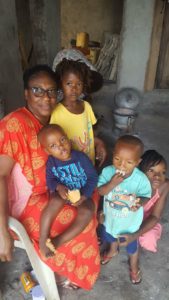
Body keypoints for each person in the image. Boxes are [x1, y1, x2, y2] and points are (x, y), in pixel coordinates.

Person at [0, 64, 100, 290]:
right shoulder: (14, 124)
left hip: (55, 187)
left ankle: (66, 264)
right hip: (24, 201)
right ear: (26, 93)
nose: (46, 97)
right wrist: (2, 229)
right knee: (75, 218)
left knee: (90, 199)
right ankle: (59, 261)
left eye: (51, 91)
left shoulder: (54, 119)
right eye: (37, 90)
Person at [37, 124, 98, 257]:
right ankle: (43, 238)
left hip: (82, 192)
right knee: (54, 202)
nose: (60, 146)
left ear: (68, 140)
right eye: (53, 146)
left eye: (62, 140)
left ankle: (57, 241)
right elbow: (50, 180)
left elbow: (93, 177)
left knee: (88, 211)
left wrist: (85, 195)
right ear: (47, 151)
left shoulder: (80, 158)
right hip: (62, 193)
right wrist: (59, 187)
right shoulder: (52, 162)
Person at [97, 135, 152, 284]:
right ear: (113, 155)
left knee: (132, 248)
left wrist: (140, 202)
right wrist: (111, 184)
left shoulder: (140, 179)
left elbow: (147, 196)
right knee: (110, 238)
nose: (122, 165)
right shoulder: (108, 172)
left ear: (137, 162)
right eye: (117, 159)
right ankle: (112, 250)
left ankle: (134, 267)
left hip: (130, 226)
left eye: (129, 162)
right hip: (110, 220)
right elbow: (101, 191)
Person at [51, 51, 107, 167]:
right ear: (61, 84)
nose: (74, 89)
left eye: (79, 84)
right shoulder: (56, 112)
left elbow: (88, 133)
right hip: (71, 167)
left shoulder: (86, 106)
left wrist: (99, 143)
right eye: (69, 83)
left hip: (88, 162)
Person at [119, 150, 169, 253]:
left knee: (149, 239)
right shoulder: (132, 184)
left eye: (163, 172)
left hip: (147, 218)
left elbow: (155, 216)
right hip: (128, 215)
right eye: (151, 170)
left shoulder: (164, 186)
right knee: (114, 231)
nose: (158, 176)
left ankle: (137, 239)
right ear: (140, 171)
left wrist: (135, 235)